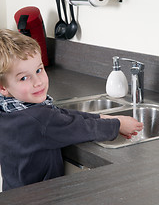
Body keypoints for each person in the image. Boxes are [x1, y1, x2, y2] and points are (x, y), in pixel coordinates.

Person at [0, 29, 143, 191]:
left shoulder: (9, 111)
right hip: (40, 198)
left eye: (39, 70)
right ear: (3, 87)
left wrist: (103, 117)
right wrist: (118, 125)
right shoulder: (39, 119)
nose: (38, 82)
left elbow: (60, 116)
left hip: (12, 193)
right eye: (24, 78)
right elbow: (79, 128)